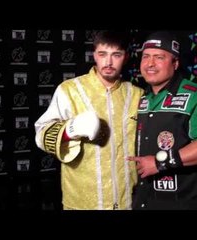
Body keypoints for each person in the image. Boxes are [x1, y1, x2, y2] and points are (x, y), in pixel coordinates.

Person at [35, 30, 144, 210]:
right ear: (94, 55)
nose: (108, 62)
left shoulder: (137, 94)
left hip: (127, 201)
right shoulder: (69, 90)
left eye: (116, 55)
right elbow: (41, 133)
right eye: (102, 54)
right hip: (81, 202)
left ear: (125, 57)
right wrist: (69, 131)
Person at [128, 31, 197, 210]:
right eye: (146, 57)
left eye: (159, 57)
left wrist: (159, 163)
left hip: (183, 202)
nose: (150, 63)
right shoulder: (142, 98)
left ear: (175, 63)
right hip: (145, 200)